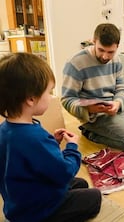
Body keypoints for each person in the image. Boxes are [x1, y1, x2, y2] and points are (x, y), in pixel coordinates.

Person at [0, 53, 101, 222]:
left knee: (81, 184)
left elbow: (27, 159)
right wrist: (72, 148)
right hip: (37, 211)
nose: (52, 97)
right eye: (49, 92)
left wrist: (53, 143)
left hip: (19, 201)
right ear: (31, 99)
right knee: (94, 197)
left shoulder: (6, 129)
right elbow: (65, 172)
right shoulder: (34, 138)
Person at [62, 23, 124, 151]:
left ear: (117, 47)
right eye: (101, 50)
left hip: (115, 109)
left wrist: (118, 103)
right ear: (94, 41)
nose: (105, 56)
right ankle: (91, 134)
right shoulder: (75, 63)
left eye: (111, 52)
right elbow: (66, 99)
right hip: (94, 117)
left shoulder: (116, 60)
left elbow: (121, 89)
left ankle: (120, 125)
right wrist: (89, 110)